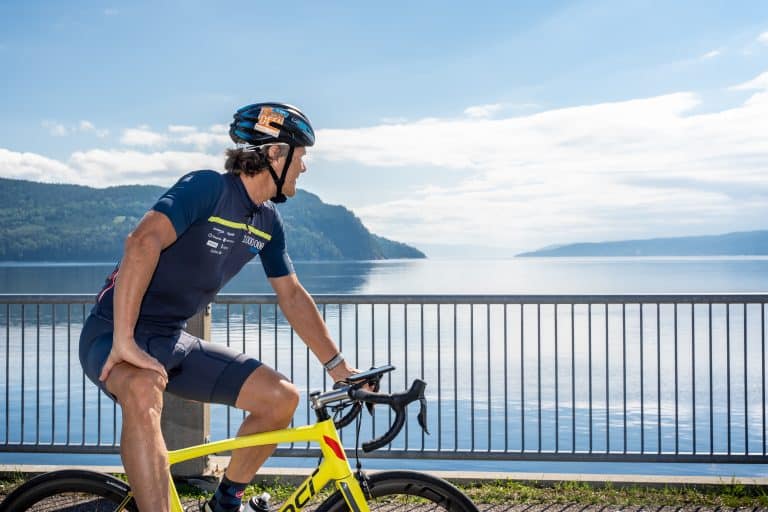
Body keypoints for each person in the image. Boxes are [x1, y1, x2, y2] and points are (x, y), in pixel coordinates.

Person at [79, 103, 358, 512]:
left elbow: (292, 296)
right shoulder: (208, 188)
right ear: (275, 154)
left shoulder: (267, 222)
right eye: (300, 157)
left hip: (171, 340)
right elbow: (141, 242)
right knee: (142, 389)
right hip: (112, 333)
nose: (304, 167)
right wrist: (123, 340)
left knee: (280, 398)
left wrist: (339, 368)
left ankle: (224, 503)